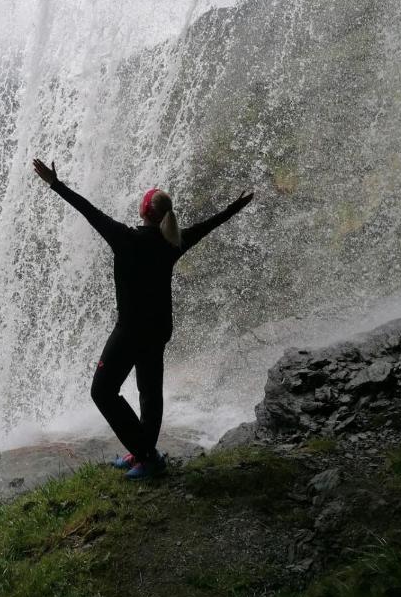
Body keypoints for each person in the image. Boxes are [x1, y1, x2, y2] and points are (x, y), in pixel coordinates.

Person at [32, 157, 253, 480]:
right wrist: (236, 207)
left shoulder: (126, 239)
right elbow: (210, 224)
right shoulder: (173, 242)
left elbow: (89, 211)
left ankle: (147, 455)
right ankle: (143, 452)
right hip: (159, 328)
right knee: (149, 391)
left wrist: (55, 183)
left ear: (144, 211)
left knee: (102, 392)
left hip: (131, 331)